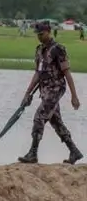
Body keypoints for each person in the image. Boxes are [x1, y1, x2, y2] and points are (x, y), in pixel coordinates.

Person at [18, 21, 82, 164]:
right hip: (45, 91)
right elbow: (37, 74)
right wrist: (27, 93)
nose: (39, 37)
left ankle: (33, 153)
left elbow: (67, 73)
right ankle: (74, 151)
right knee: (56, 121)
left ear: (49, 32)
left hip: (56, 89)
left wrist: (74, 96)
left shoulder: (58, 49)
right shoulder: (39, 50)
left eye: (42, 34)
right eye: (38, 35)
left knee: (39, 117)